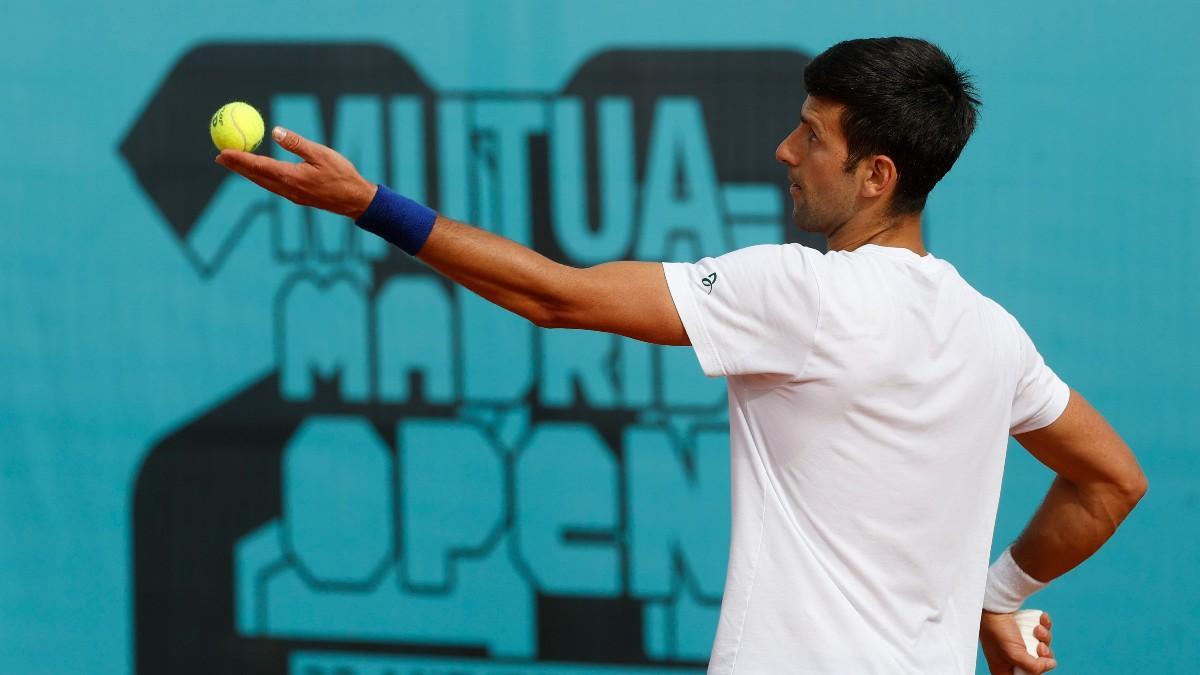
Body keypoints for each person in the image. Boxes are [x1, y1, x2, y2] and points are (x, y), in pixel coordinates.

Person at [217, 36, 1147, 675]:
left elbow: (554, 294)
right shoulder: (994, 332)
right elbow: (1111, 482)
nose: (785, 150)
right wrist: (1000, 594)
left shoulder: (805, 293)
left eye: (812, 136)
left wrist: (370, 205)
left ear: (877, 175)